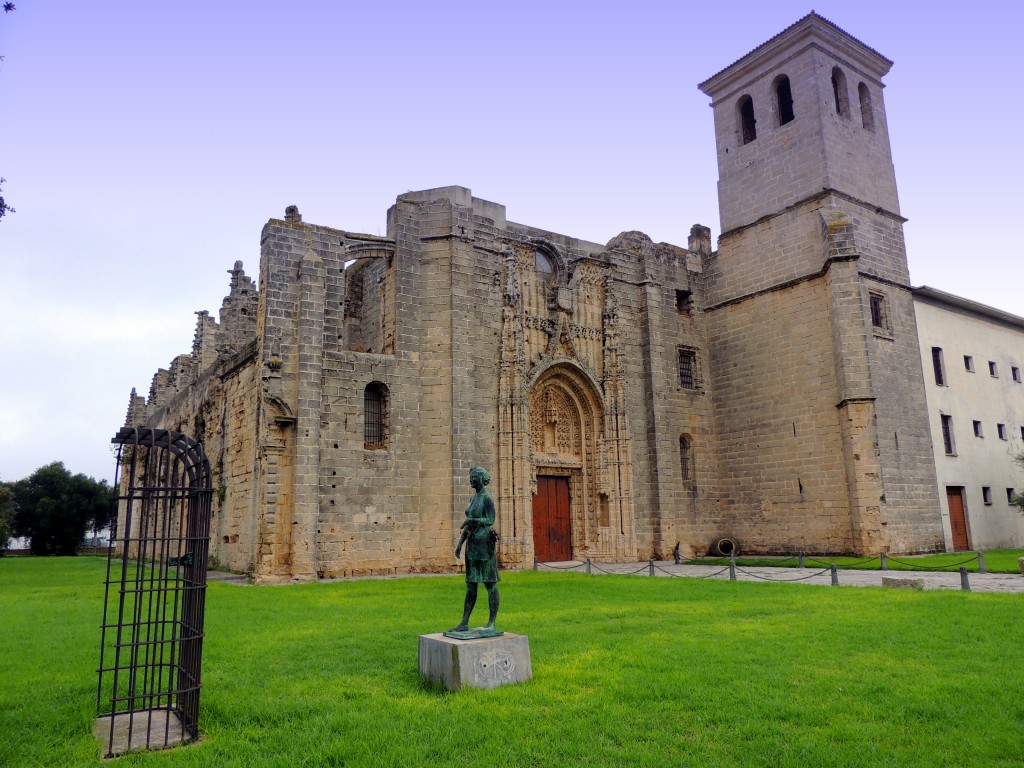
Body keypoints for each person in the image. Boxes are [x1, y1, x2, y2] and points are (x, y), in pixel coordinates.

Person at [451, 467, 500, 632]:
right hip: (472, 544)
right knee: (471, 584)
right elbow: (469, 523)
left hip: (485, 544)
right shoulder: (474, 498)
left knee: (490, 583)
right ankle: (464, 622)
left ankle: (491, 623)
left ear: (482, 478)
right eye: (470, 477)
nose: (471, 480)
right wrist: (460, 544)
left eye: (474, 477)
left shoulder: (487, 498)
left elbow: (490, 520)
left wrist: (472, 520)